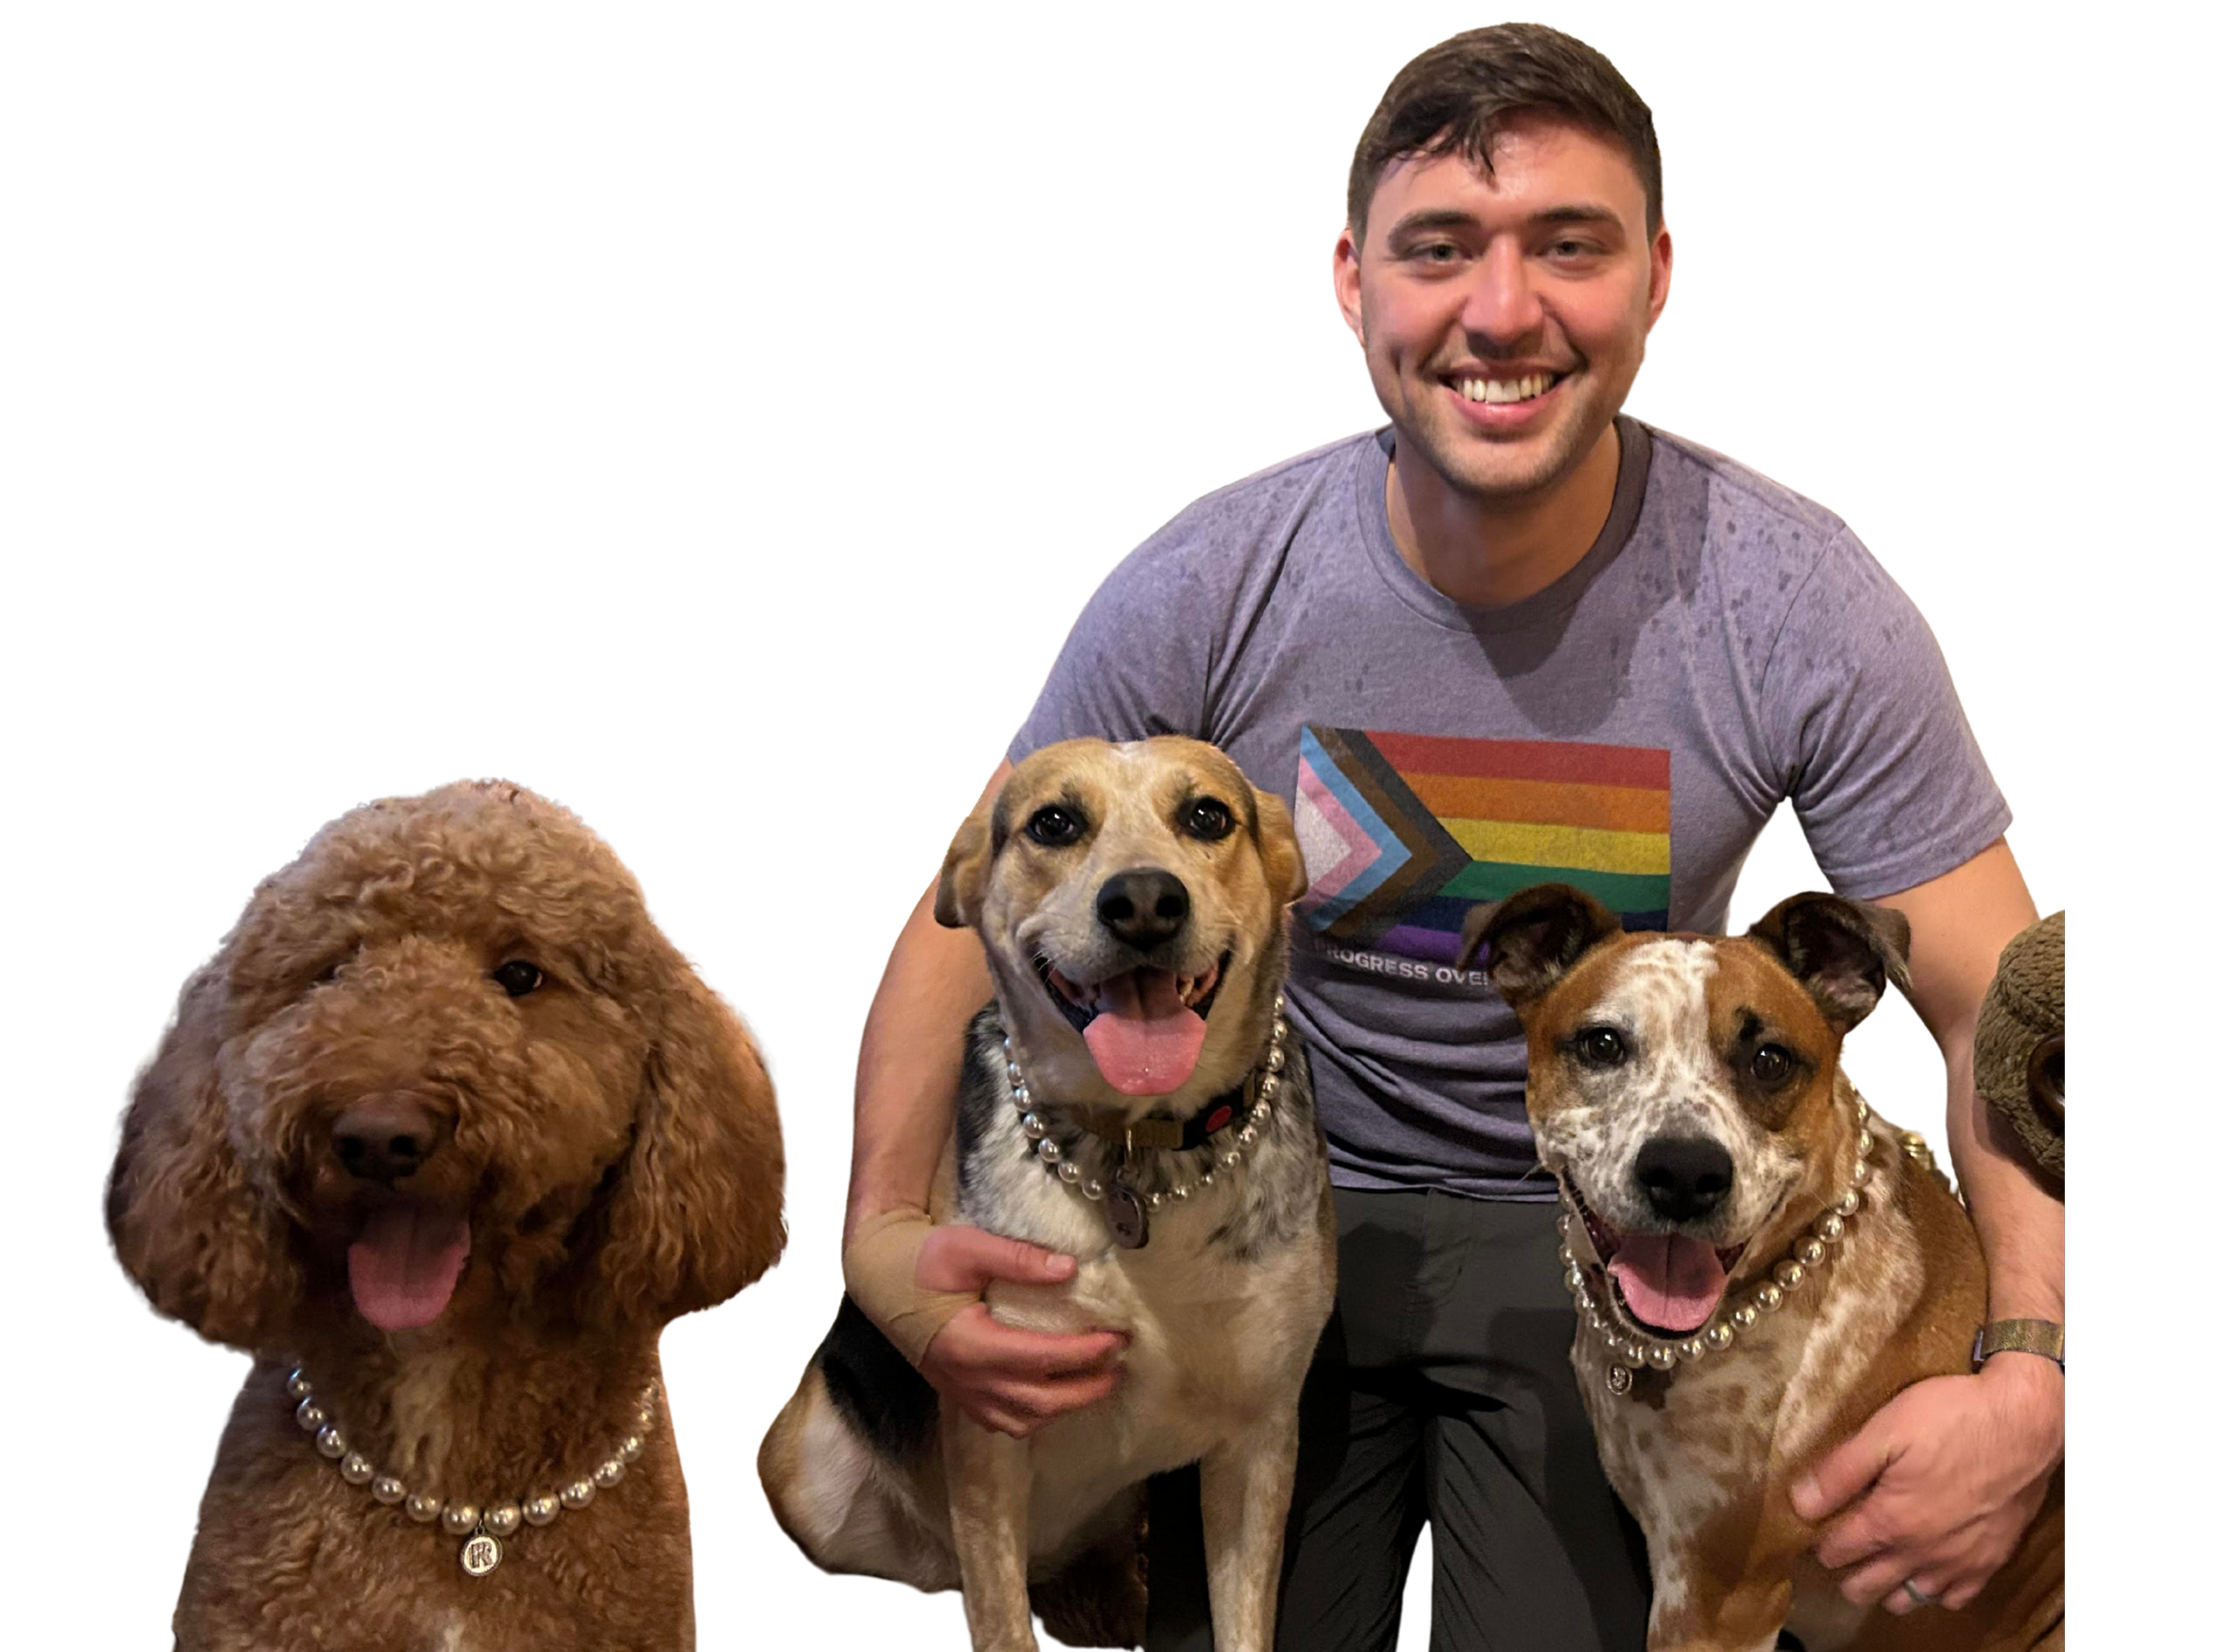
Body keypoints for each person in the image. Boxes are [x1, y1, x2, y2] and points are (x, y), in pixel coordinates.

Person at [837, 21, 2066, 1651]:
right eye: (1440, 251)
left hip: (1596, 1236)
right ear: (1352, 289)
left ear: (1654, 278)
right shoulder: (1211, 573)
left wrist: (2036, 1367)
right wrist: (883, 1252)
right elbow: (969, 910)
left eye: (1571, 245)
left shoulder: (1806, 600)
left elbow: (2006, 1003)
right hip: (1262, 1206)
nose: (1502, 311)